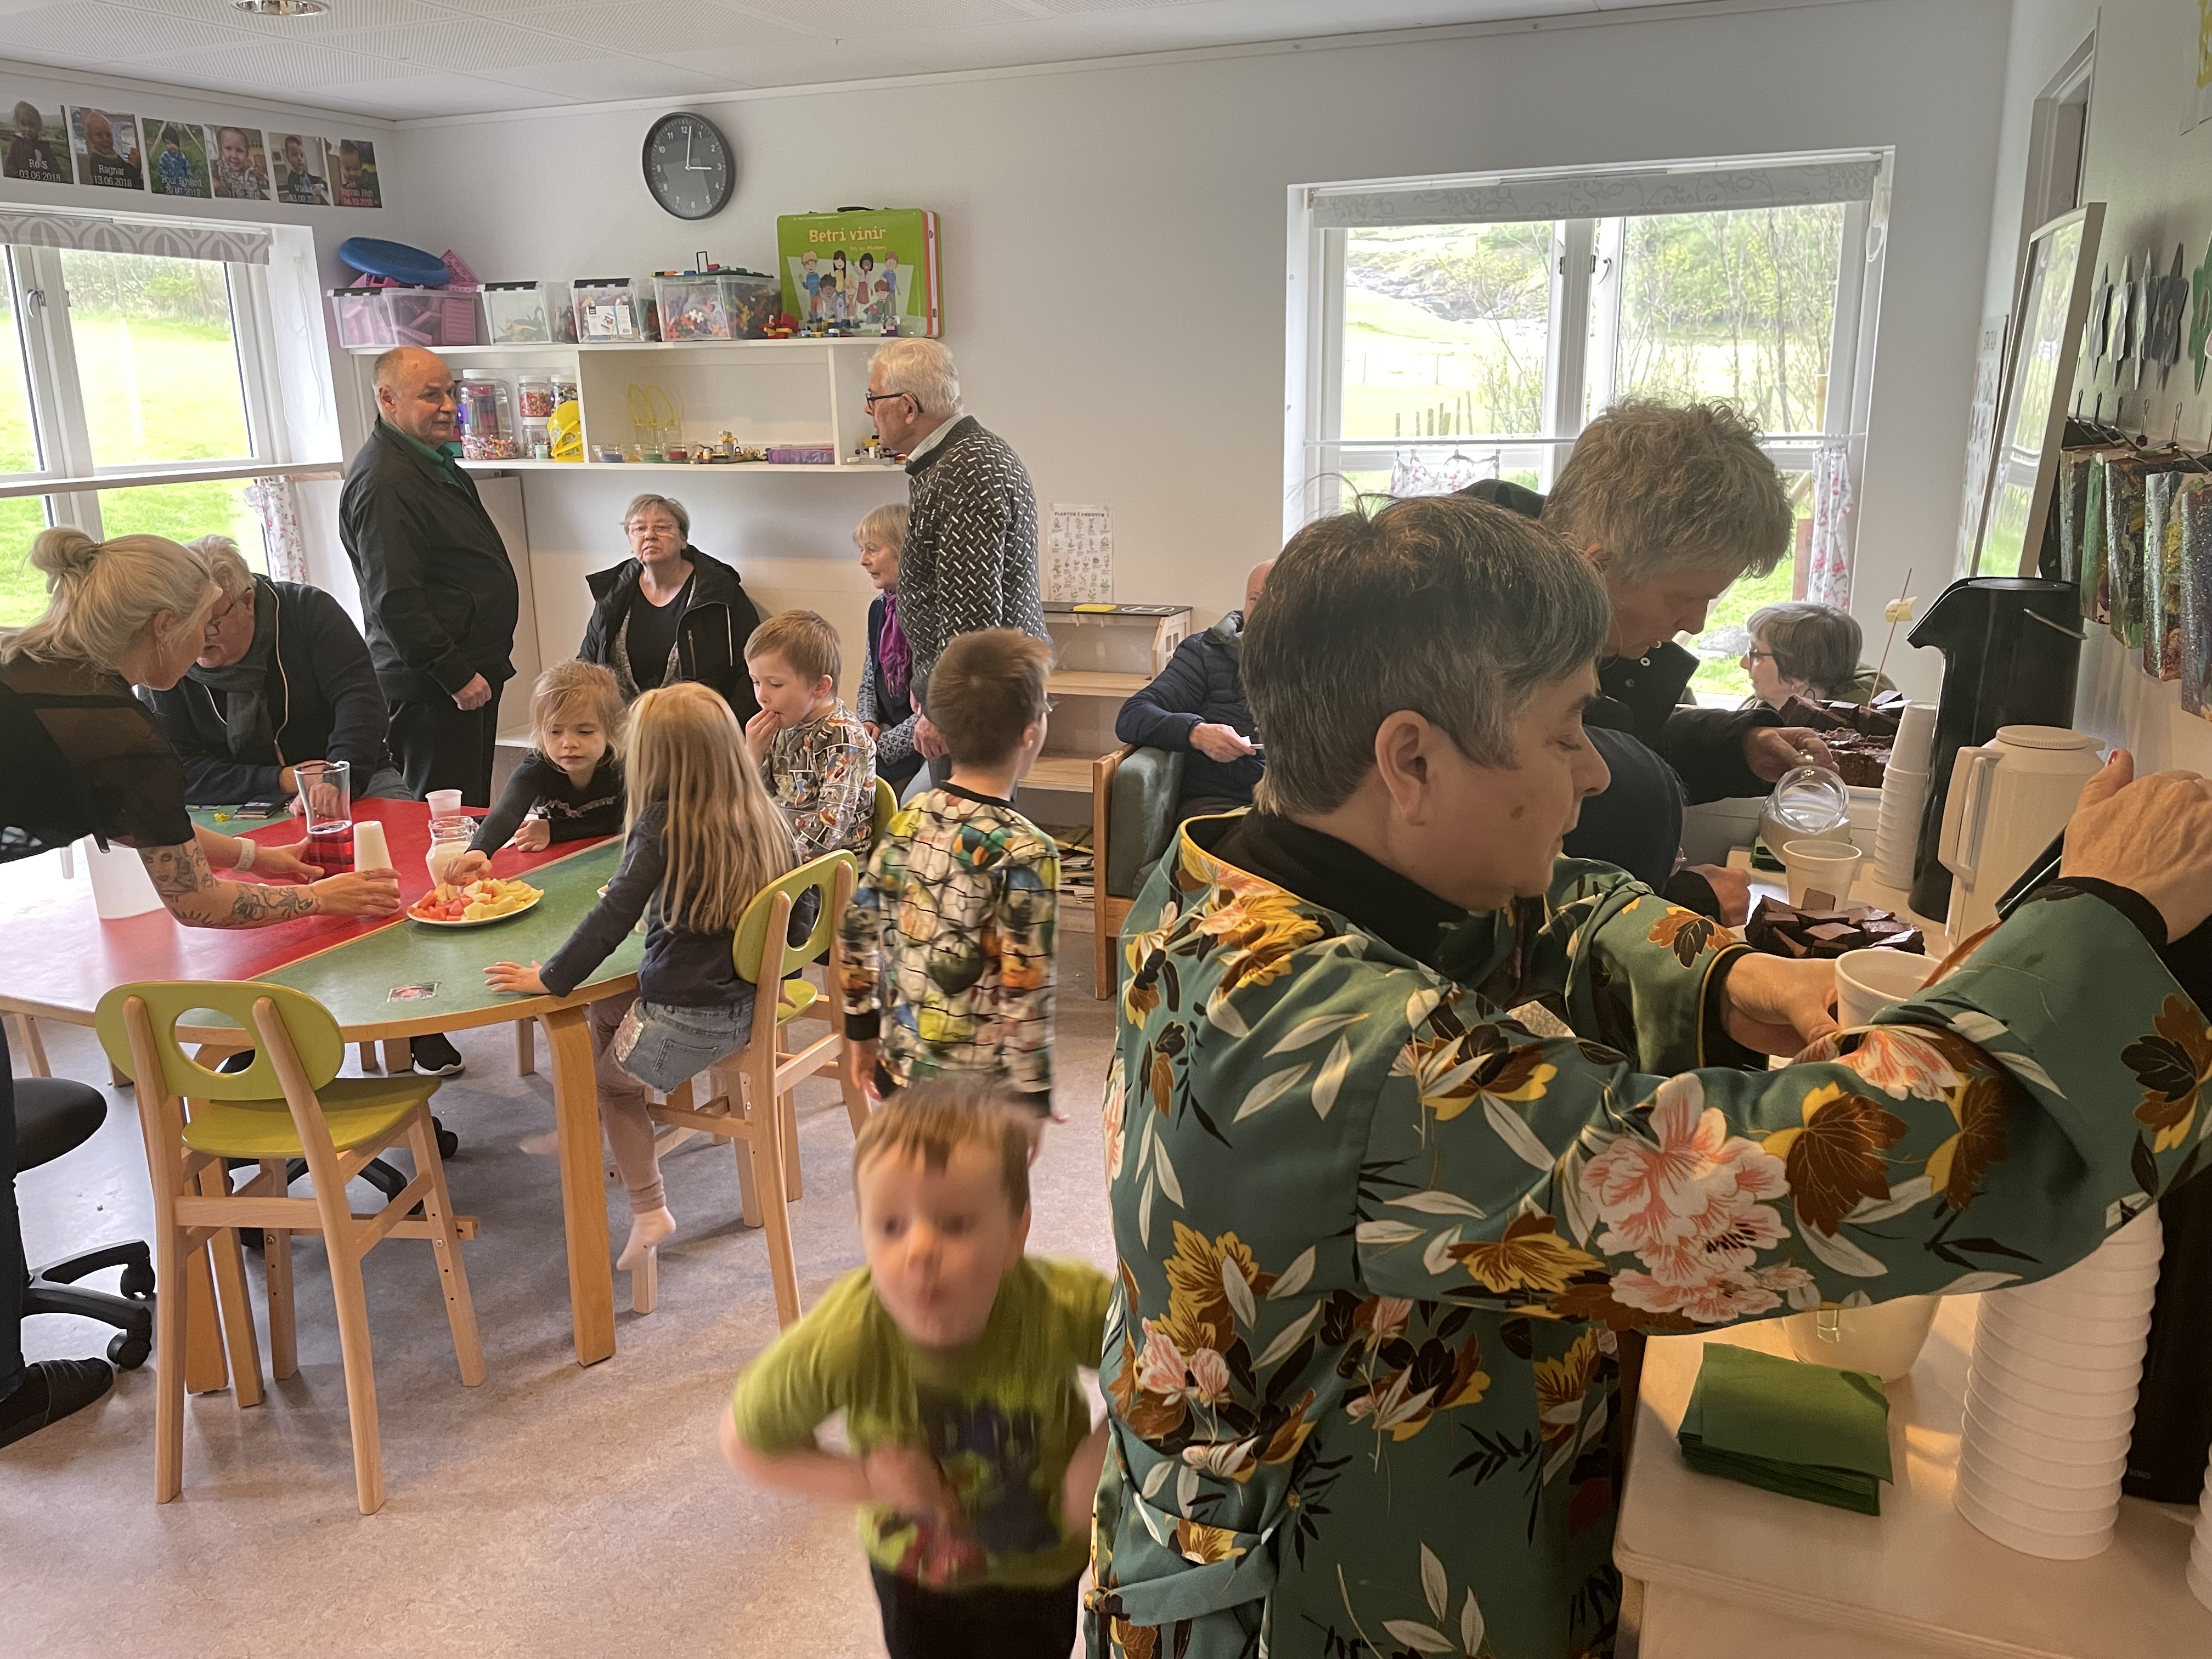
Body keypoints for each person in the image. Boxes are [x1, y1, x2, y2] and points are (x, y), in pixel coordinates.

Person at [1086, 492, 2212, 1659]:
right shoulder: (1364, 1062)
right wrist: (2105, 919)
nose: (1590, 774)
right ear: (1411, 760)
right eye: (1565, 730)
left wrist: (1727, 977)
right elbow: (1820, 1179)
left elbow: (1534, 912)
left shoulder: (1236, 873)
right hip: (1303, 1613)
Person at [0, 528, 400, 1452]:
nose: (210, 642)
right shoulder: (114, 726)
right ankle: (7, 1393)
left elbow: (146, 825)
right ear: (163, 624)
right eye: (204, 623)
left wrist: (261, 853)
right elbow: (196, 901)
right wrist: (321, 896)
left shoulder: (34, 664)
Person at [723, 1080, 1110, 1659]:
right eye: (891, 1226)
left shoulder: (1060, 1304)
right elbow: (745, 1440)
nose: (919, 1250)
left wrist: (1103, 1459)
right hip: (915, 1578)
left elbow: (1163, 1358)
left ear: (1016, 1233)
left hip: (1042, 1572)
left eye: (954, 1223)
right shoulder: (850, 1332)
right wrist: (868, 1481)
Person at [484, 681, 794, 1273]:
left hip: (691, 1018)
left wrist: (551, 978)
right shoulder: (767, 815)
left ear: (653, 761)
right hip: (751, 1005)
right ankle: (590, 1129)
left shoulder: (660, 824)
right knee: (605, 1010)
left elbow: (611, 919)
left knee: (615, 1086)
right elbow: (798, 918)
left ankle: (650, 1208)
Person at [1462, 400, 1836, 803]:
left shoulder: (1577, 605)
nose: (1695, 624)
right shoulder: (1459, 628)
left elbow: (1629, 734)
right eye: (1684, 599)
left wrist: (1740, 747)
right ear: (1598, 567)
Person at [839, 629, 1057, 1119]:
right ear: (1030, 732)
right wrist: (1033, 1097)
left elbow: (855, 930)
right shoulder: (1027, 851)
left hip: (900, 1071)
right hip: (982, 1097)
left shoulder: (909, 818)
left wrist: (862, 1033)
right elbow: (1025, 988)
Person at [340, 346, 521, 808]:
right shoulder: (385, 482)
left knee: (468, 808)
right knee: (442, 815)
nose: (448, 406)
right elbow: (396, 597)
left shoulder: (430, 461)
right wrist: (453, 673)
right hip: (435, 686)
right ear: (388, 399)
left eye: (450, 393)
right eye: (430, 395)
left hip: (467, 672)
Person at [864, 339, 1047, 778]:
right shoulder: (957, 459)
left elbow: (973, 620)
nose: (869, 410)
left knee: (971, 818)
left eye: (873, 398)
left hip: (979, 704)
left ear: (908, 407)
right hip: (977, 695)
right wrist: (926, 683)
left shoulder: (965, 471)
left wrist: (941, 710)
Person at [138, 535, 404, 807]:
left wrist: (335, 778)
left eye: (212, 622)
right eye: (187, 624)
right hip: (229, 798)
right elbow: (174, 768)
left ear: (247, 601)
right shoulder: (163, 654)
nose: (200, 637)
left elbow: (360, 703)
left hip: (351, 775)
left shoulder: (307, 611)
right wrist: (284, 780)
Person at [578, 492, 766, 721]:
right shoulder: (612, 594)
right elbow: (587, 666)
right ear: (631, 543)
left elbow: (752, 669)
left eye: (662, 527)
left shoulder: (720, 592)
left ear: (683, 540)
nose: (650, 535)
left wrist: (729, 730)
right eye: (639, 528)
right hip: (623, 732)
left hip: (699, 729)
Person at [1114, 561, 1271, 821]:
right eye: (1256, 600)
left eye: (1278, 602)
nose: (1266, 613)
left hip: (1300, 807)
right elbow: (1133, 715)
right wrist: (1196, 733)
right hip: (1221, 807)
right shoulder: (1204, 653)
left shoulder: (1326, 662)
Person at [454, 659, 625, 878]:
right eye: (555, 732)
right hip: (562, 867)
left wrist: (554, 831)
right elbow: (508, 811)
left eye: (584, 732)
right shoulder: (537, 767)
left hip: (616, 863)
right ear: (541, 733)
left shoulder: (623, 766)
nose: (569, 743)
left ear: (611, 731)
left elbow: (628, 820)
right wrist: (478, 851)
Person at [744, 609, 876, 860]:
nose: (762, 696)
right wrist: (753, 755)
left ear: (820, 687)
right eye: (756, 682)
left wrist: (771, 860)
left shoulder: (844, 738)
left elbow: (829, 830)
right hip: (779, 848)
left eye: (775, 684)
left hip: (826, 865)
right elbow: (761, 799)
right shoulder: (783, 722)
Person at [855, 503, 922, 792]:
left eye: (872, 550)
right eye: (862, 550)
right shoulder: (879, 608)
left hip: (922, 742)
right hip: (883, 737)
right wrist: (866, 721)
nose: (863, 560)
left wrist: (882, 745)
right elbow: (869, 681)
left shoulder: (928, 615)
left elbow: (932, 708)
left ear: (904, 551)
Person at [1743, 599, 1895, 707]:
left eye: (1757, 655)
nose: (1743, 663)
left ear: (1798, 671)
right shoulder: (1758, 705)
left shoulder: (1846, 732)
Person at [5, 102, 63, 184]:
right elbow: (9, 165)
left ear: (38, 126)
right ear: (18, 124)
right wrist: (19, 179)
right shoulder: (16, 141)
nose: (28, 129)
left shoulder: (44, 145)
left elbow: (55, 169)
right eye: (24, 124)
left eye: (32, 125)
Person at [211, 125, 266, 200]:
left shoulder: (250, 174)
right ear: (221, 151)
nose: (234, 156)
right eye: (228, 149)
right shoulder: (217, 171)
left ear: (247, 155)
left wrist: (260, 179)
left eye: (239, 150)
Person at [276, 133, 325, 206]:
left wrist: (322, 181)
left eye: (302, 155)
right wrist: (314, 193)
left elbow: (313, 178)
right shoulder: (292, 179)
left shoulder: (304, 173)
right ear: (288, 158)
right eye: (294, 154)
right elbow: (300, 199)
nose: (300, 159)